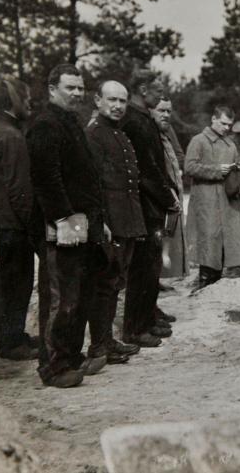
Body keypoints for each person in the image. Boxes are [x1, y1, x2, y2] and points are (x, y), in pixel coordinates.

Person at [26, 64, 110, 387]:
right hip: (62, 224)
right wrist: (63, 220)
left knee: (79, 293)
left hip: (81, 222)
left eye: (80, 88)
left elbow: (85, 177)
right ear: (51, 89)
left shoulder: (70, 123)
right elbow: (47, 179)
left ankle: (70, 357)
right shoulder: (46, 125)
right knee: (62, 296)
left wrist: (95, 222)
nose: (77, 93)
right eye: (70, 87)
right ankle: (53, 366)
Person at [84, 81, 145, 364]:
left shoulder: (118, 134)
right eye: (112, 100)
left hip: (127, 218)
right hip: (112, 221)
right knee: (105, 283)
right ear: (97, 101)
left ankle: (107, 341)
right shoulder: (94, 135)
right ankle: (99, 345)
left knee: (116, 281)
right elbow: (93, 184)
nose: (118, 106)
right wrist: (102, 221)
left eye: (123, 100)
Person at [0, 77, 38, 361]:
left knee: (9, 282)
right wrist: (33, 227)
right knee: (18, 283)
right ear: (15, 102)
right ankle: (12, 343)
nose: (30, 104)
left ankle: (12, 336)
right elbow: (19, 190)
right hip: (13, 224)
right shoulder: (12, 136)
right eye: (26, 99)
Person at [120, 74, 179, 346]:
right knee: (142, 268)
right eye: (158, 90)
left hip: (150, 204)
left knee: (151, 265)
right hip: (144, 206)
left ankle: (147, 316)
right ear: (143, 90)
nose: (162, 94)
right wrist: (167, 196)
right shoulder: (135, 121)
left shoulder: (142, 119)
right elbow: (147, 170)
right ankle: (135, 327)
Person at [185, 105, 240, 287]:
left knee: (224, 241)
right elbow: (190, 167)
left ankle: (217, 282)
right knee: (208, 240)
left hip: (227, 199)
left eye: (229, 125)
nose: (227, 128)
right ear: (213, 119)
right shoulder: (198, 141)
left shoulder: (230, 144)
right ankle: (205, 281)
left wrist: (237, 172)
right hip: (206, 200)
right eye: (223, 124)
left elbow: (238, 168)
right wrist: (216, 170)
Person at [149, 96, 187, 280]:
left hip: (172, 186)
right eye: (161, 110)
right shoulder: (148, 131)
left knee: (170, 232)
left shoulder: (168, 129)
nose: (165, 114)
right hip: (158, 189)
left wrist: (177, 170)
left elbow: (179, 154)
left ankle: (163, 277)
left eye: (168, 111)